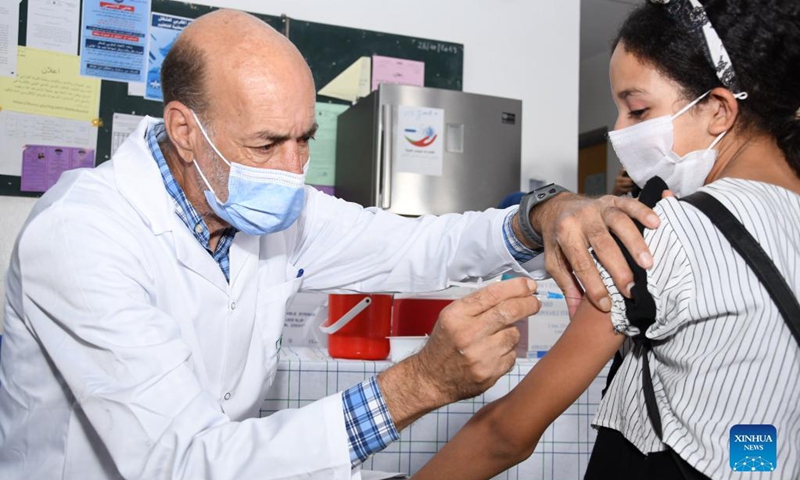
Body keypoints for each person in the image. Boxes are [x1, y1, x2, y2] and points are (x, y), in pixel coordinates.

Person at [0, 10, 658, 480]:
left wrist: (539, 215)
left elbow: (419, 248)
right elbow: (182, 462)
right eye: (266, 144)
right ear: (184, 129)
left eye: (306, 137)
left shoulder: (274, 210)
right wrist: (416, 385)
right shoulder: (84, 236)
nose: (293, 169)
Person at [414, 0, 800, 479]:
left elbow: (507, 434)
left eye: (637, 109)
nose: (618, 131)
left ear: (719, 109)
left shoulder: (664, 232)